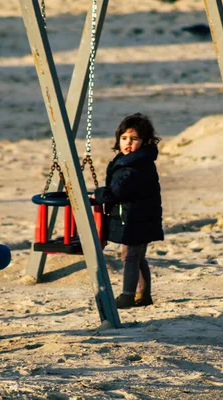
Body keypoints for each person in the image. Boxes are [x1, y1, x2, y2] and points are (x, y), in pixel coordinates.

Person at [92, 113, 164, 309]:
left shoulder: (134, 165)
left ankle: (127, 296)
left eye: (134, 139)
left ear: (145, 141)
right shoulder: (133, 161)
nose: (128, 143)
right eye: (124, 138)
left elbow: (118, 191)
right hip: (139, 216)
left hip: (135, 217)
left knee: (131, 257)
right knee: (136, 256)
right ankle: (144, 294)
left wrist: (99, 195)